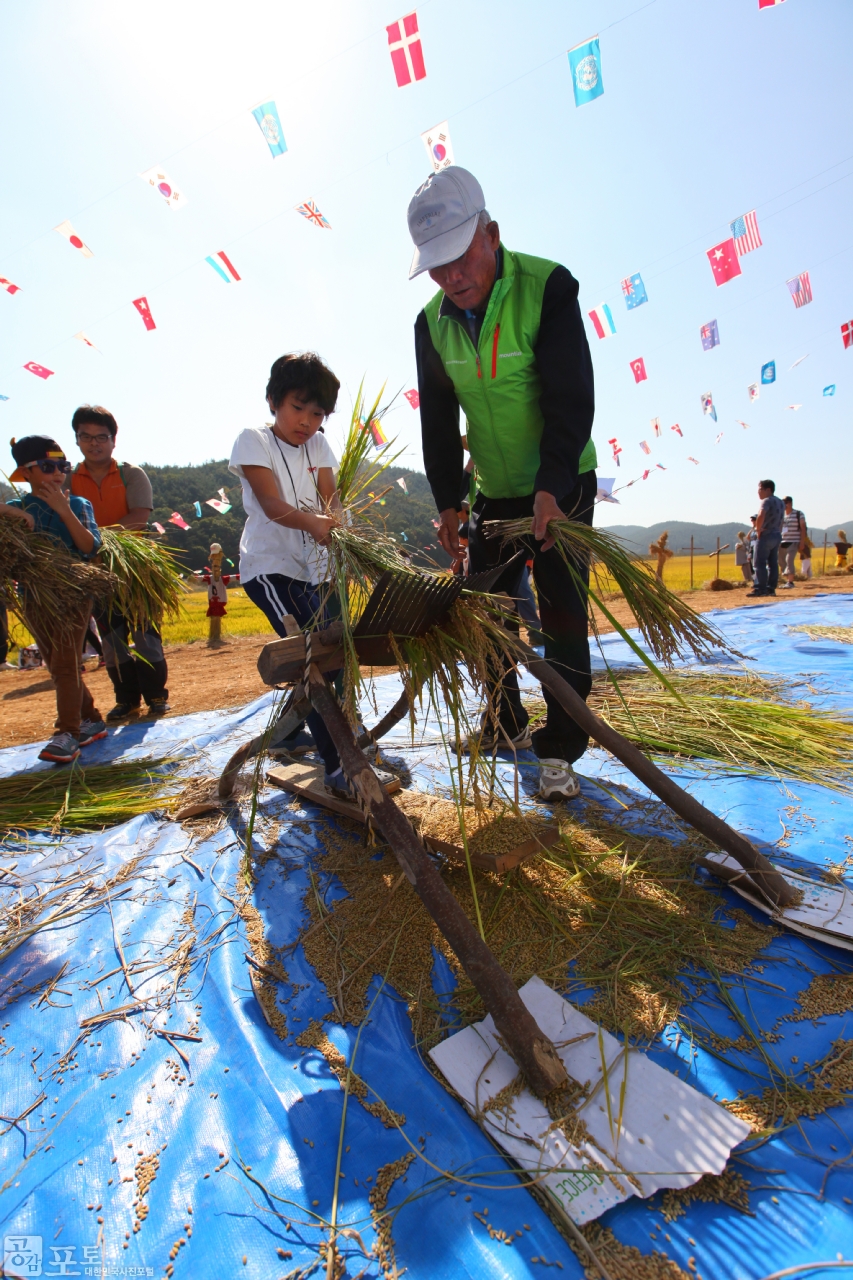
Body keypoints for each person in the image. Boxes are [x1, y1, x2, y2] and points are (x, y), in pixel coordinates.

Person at [409, 166, 596, 800]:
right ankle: (503, 720)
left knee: (563, 618)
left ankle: (561, 750)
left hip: (560, 480)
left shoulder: (547, 287)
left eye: (460, 257)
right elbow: (438, 420)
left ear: (491, 234)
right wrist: (448, 505)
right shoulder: (430, 323)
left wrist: (552, 487)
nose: (452, 277)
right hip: (492, 487)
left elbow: (571, 398)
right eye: (437, 266)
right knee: (483, 613)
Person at [228, 353, 356, 797]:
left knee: (334, 655)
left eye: (317, 413)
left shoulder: (318, 446)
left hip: (316, 571)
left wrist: (339, 526)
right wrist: (317, 524)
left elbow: (330, 499)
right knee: (311, 661)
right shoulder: (253, 441)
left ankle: (287, 733)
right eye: (297, 407)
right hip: (271, 569)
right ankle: (339, 767)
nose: (306, 420)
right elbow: (270, 504)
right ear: (273, 401)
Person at [0, 436, 106, 762]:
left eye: (63, 466)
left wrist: (63, 510)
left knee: (63, 665)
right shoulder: (18, 508)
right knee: (60, 664)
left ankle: (68, 733)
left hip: (74, 592)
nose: (58, 473)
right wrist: (11, 513)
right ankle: (92, 720)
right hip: (33, 595)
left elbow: (89, 547)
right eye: (48, 467)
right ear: (26, 473)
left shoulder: (77, 504)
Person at [68, 406, 169, 719]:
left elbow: (139, 518)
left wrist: (95, 538)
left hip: (133, 569)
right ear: (77, 440)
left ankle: (156, 696)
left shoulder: (131, 474)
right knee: (112, 641)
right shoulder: (69, 480)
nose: (94, 443)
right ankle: (126, 699)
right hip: (95, 572)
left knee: (145, 636)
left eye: (101, 437)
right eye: (86, 437)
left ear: (113, 441)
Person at [747, 479, 785, 598]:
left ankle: (760, 588)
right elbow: (782, 520)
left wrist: (758, 529)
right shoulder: (780, 502)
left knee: (759, 562)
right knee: (773, 563)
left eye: (760, 489)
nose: (758, 492)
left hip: (766, 534)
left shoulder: (766, 501)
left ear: (768, 490)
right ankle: (771, 588)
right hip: (776, 534)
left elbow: (761, 514)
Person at [779, 496, 807, 589]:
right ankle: (787, 579)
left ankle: (790, 582)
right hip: (782, 541)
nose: (784, 505)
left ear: (790, 503)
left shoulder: (798, 514)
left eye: (785, 503)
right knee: (781, 561)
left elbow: (803, 527)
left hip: (794, 541)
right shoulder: (782, 515)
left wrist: (802, 541)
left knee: (789, 560)